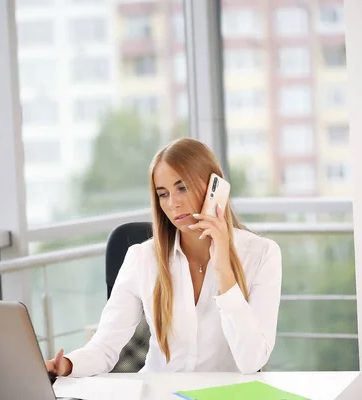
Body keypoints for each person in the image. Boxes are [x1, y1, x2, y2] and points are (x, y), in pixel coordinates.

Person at [45, 137, 282, 377]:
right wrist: (66, 365)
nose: (173, 203)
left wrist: (223, 270)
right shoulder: (142, 258)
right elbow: (105, 348)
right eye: (163, 194)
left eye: (182, 187)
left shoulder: (262, 255)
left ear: (214, 187)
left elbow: (251, 361)